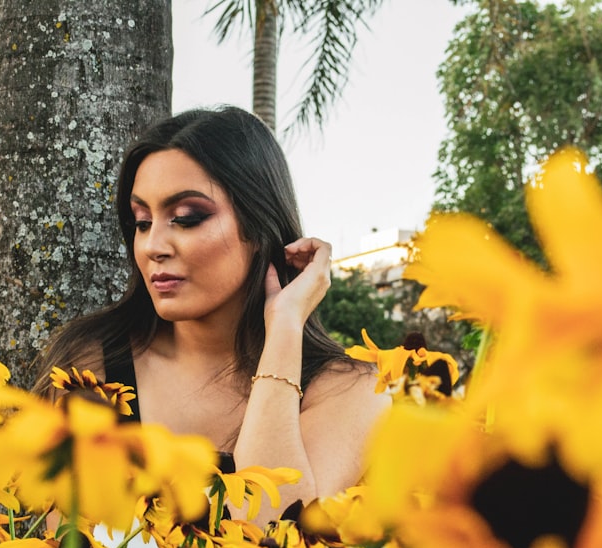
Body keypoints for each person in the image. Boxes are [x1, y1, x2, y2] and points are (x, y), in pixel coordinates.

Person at [33, 106, 390, 523]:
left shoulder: (350, 391)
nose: (153, 246)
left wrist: (285, 328)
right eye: (143, 222)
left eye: (187, 219)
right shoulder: (89, 368)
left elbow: (270, 540)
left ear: (258, 227)